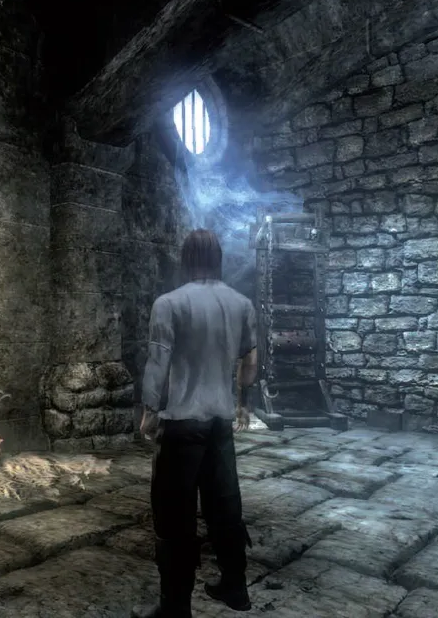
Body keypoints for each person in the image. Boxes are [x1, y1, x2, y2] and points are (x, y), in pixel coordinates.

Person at [131, 229, 258, 618]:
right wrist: (242, 405)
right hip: (220, 422)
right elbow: (250, 364)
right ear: (218, 259)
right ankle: (235, 588)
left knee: (174, 517)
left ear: (185, 260)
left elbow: (158, 362)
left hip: (182, 425)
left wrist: (149, 410)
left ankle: (175, 607)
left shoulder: (170, 303)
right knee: (225, 507)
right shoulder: (241, 304)